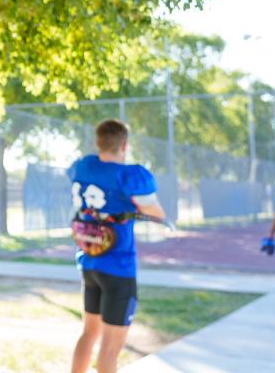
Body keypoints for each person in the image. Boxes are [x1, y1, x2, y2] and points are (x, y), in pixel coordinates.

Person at [67, 119, 165, 373]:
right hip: (118, 268)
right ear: (124, 144)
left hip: (89, 262)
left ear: (98, 142)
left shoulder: (83, 166)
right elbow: (157, 214)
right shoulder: (130, 175)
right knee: (110, 348)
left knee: (88, 334)